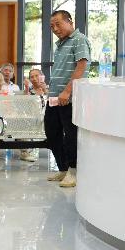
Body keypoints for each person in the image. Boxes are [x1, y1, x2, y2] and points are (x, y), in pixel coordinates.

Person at [45, 10, 90, 188]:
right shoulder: (61, 44)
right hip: (54, 97)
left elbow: (81, 67)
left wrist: (67, 91)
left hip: (69, 98)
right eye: (52, 26)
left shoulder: (79, 39)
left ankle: (73, 171)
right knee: (52, 132)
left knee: (70, 135)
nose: (55, 29)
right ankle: (63, 168)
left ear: (69, 21)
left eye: (58, 24)